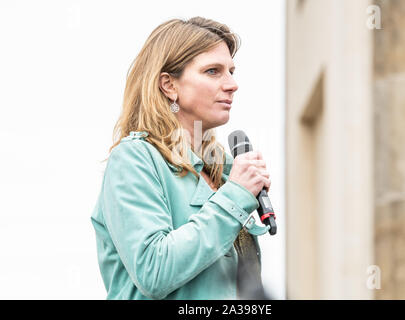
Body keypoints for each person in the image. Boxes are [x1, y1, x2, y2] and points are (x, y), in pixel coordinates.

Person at [90, 16, 271, 300]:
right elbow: (153, 269)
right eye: (213, 71)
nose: (232, 84)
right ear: (169, 85)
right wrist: (235, 196)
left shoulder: (223, 174)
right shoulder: (135, 159)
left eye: (231, 71)